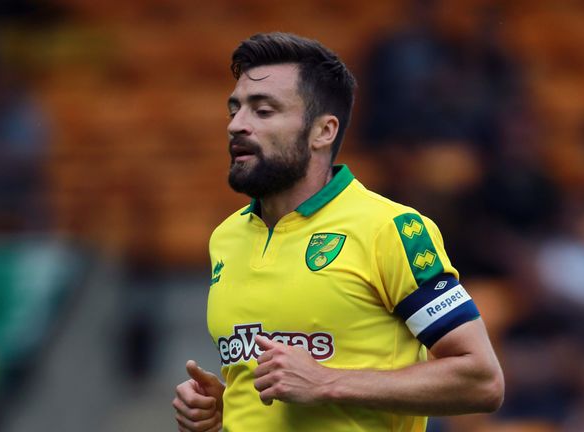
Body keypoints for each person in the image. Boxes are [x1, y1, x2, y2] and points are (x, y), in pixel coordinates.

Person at [172, 32, 504, 432]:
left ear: (323, 131)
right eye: (235, 109)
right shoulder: (225, 237)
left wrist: (328, 382)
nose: (237, 125)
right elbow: (284, 390)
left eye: (262, 111)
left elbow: (482, 380)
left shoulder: (391, 229)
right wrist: (226, 406)